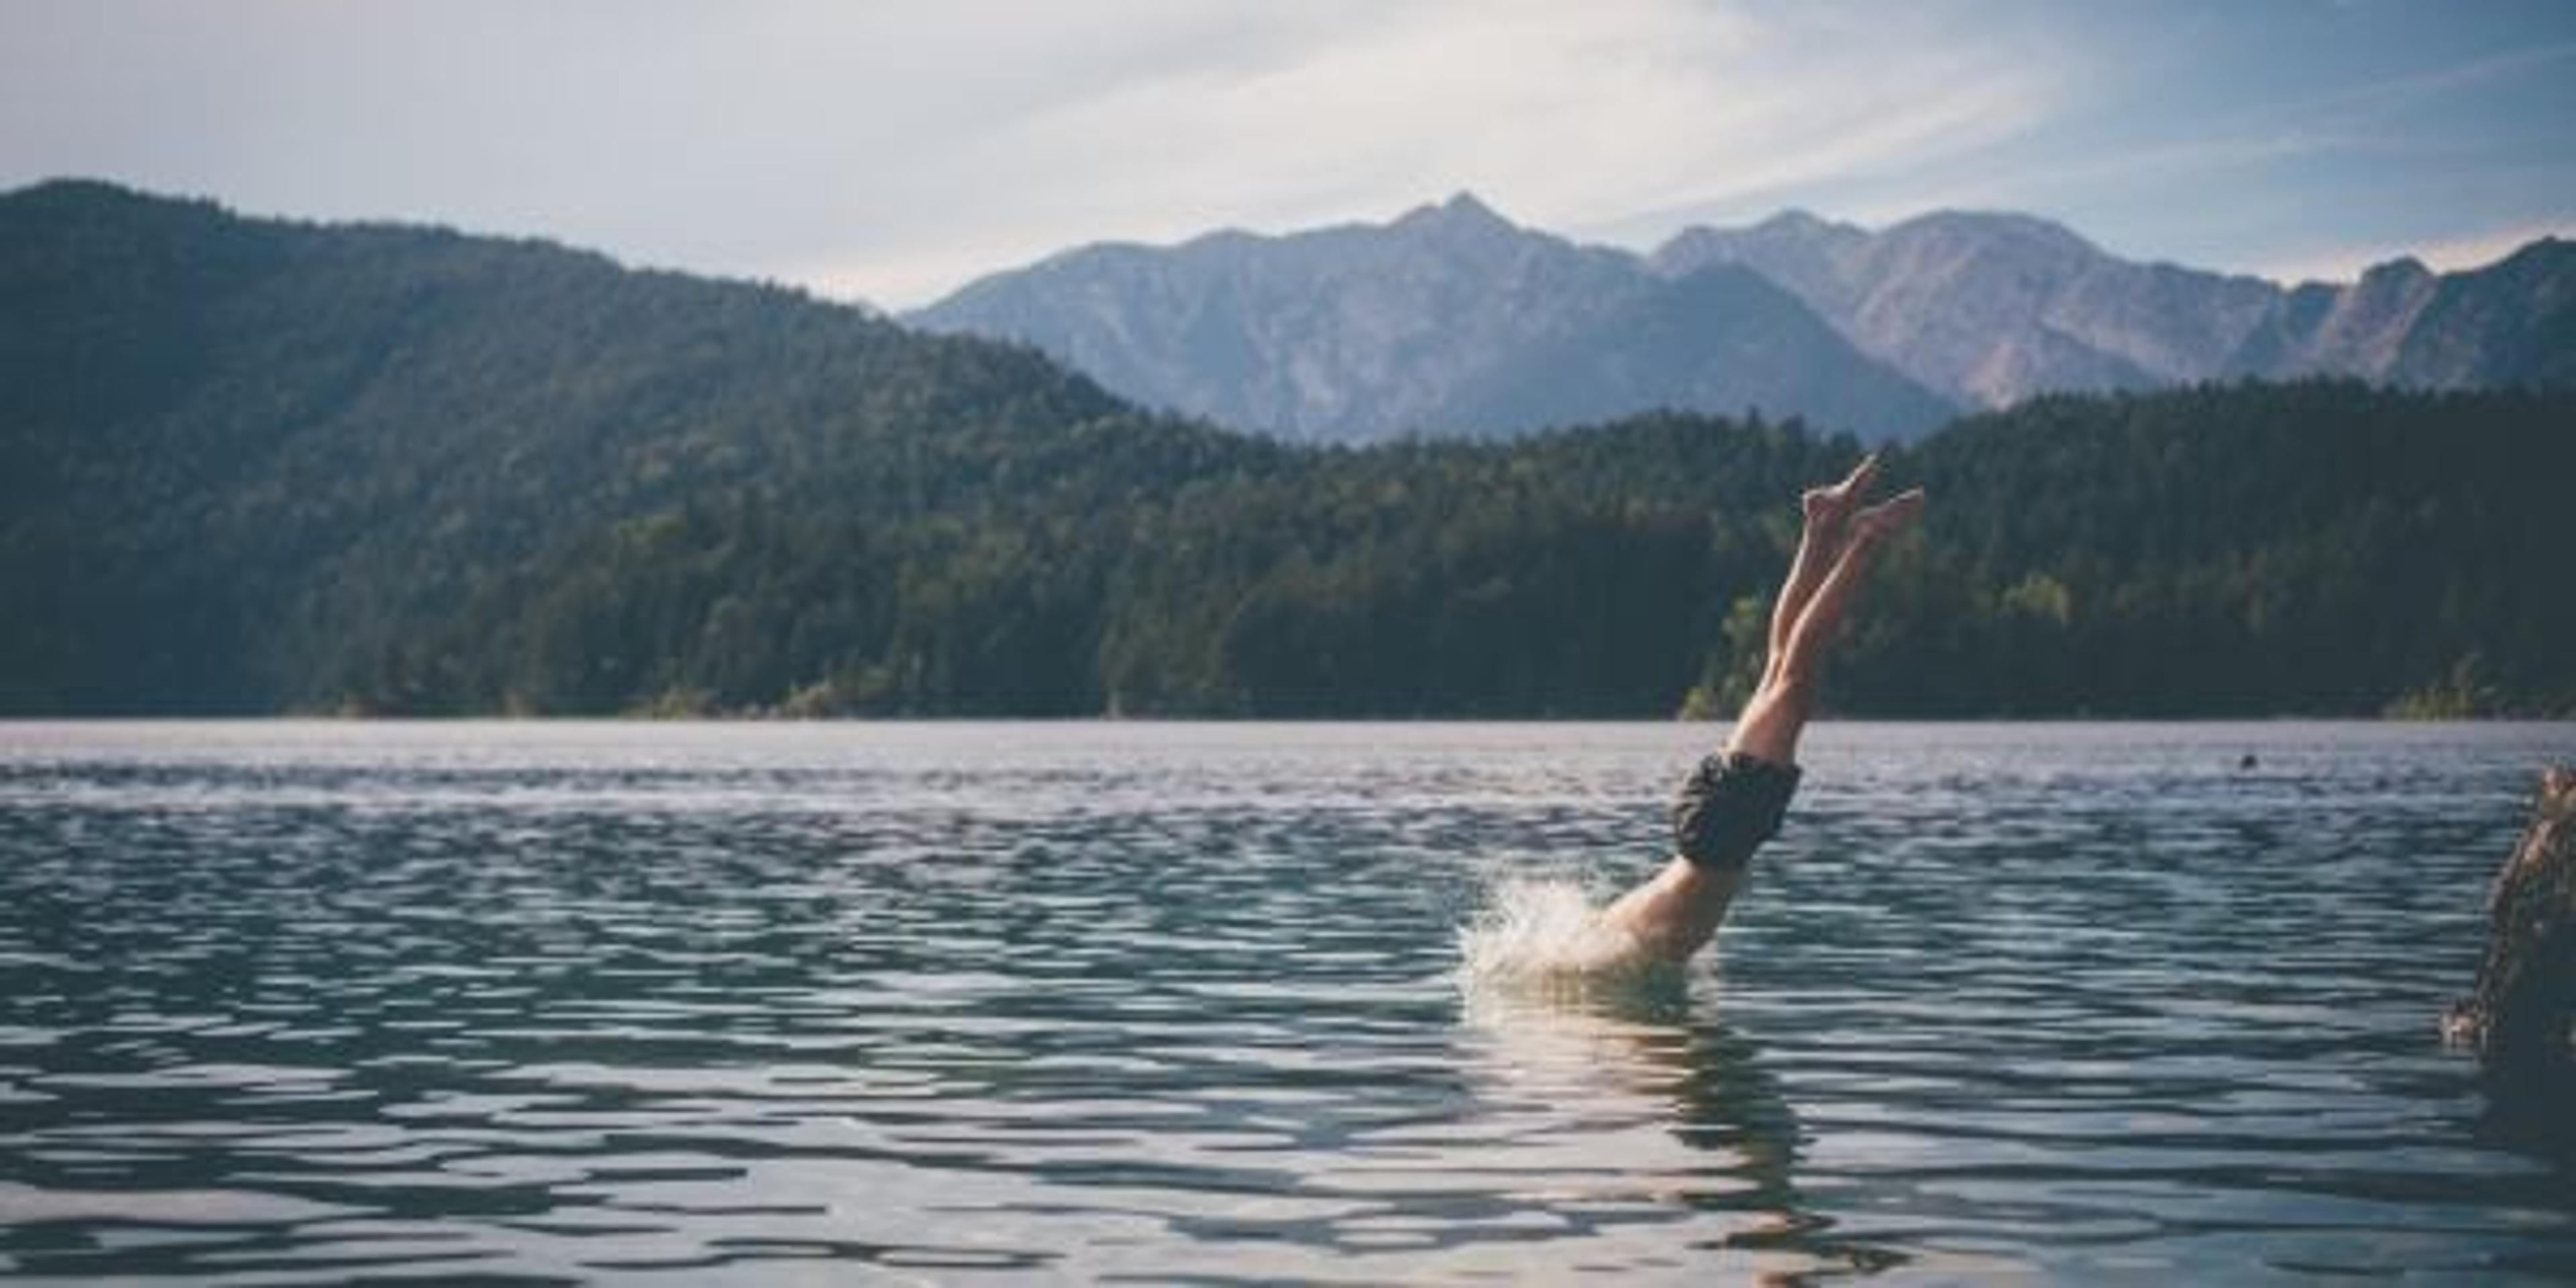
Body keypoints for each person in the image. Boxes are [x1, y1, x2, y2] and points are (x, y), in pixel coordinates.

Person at [1598, 455, 1923, 962]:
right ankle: (1822, 526)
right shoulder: (1597, 937)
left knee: (1794, 681)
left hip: (1716, 839)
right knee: (1779, 671)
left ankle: (1864, 542)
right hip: (1707, 831)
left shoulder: (1599, 954)